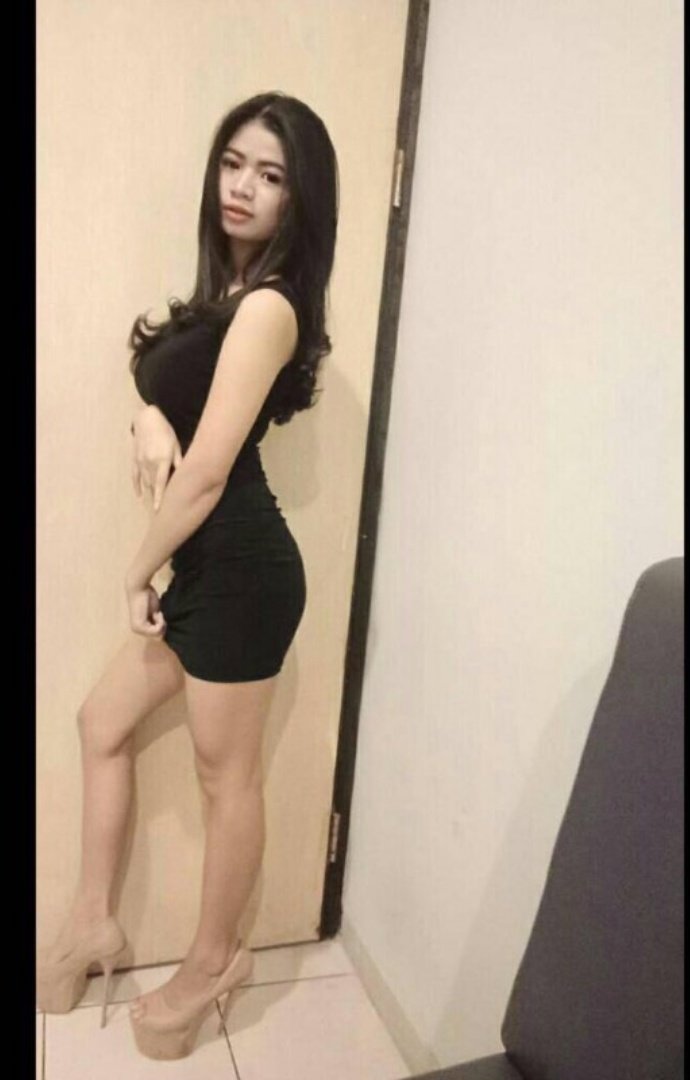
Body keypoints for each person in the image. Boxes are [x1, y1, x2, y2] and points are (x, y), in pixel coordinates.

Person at [36, 91, 339, 1061]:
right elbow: (179, 404)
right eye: (232, 163)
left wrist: (137, 570)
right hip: (208, 567)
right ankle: (94, 922)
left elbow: (208, 472)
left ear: (299, 198)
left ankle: (213, 962)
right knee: (101, 723)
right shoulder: (225, 299)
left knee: (226, 778)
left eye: (271, 174)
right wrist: (147, 414)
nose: (242, 186)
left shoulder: (271, 305)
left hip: (242, 572)